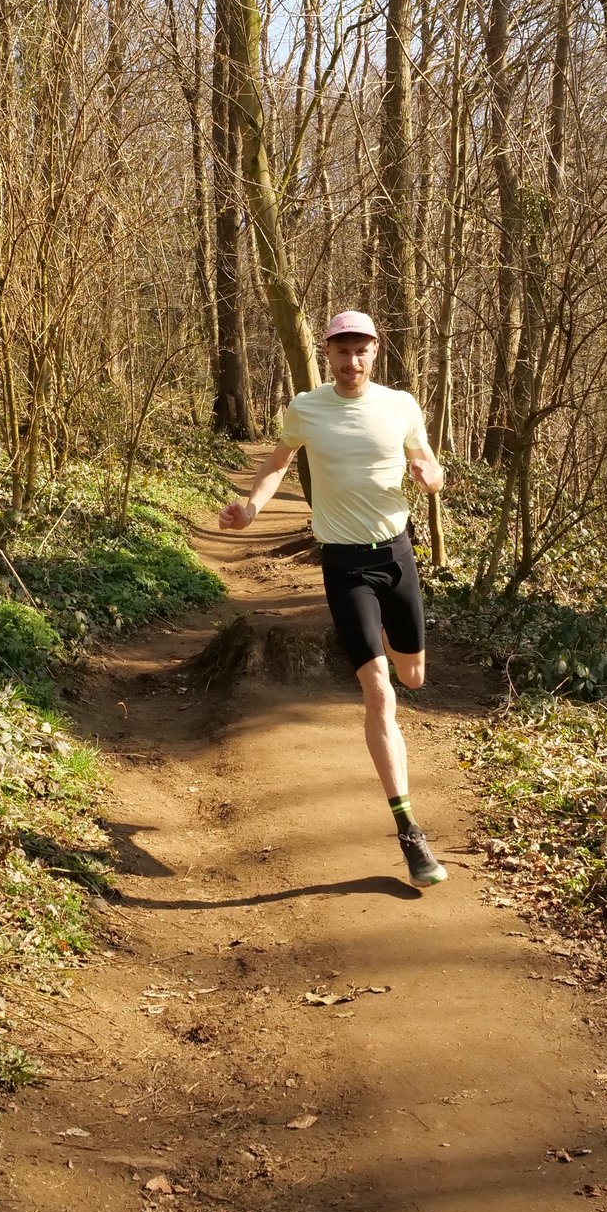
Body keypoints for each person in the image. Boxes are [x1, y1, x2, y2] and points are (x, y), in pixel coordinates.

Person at [218, 309, 447, 887]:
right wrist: (251, 507)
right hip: (344, 564)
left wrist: (429, 474)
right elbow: (276, 463)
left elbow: (431, 463)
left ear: (375, 352)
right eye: (341, 351)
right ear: (329, 355)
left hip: (397, 556)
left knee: (414, 677)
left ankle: (393, 664)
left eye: (361, 350)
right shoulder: (307, 408)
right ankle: (410, 833)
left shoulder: (400, 405)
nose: (351, 361)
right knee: (380, 693)